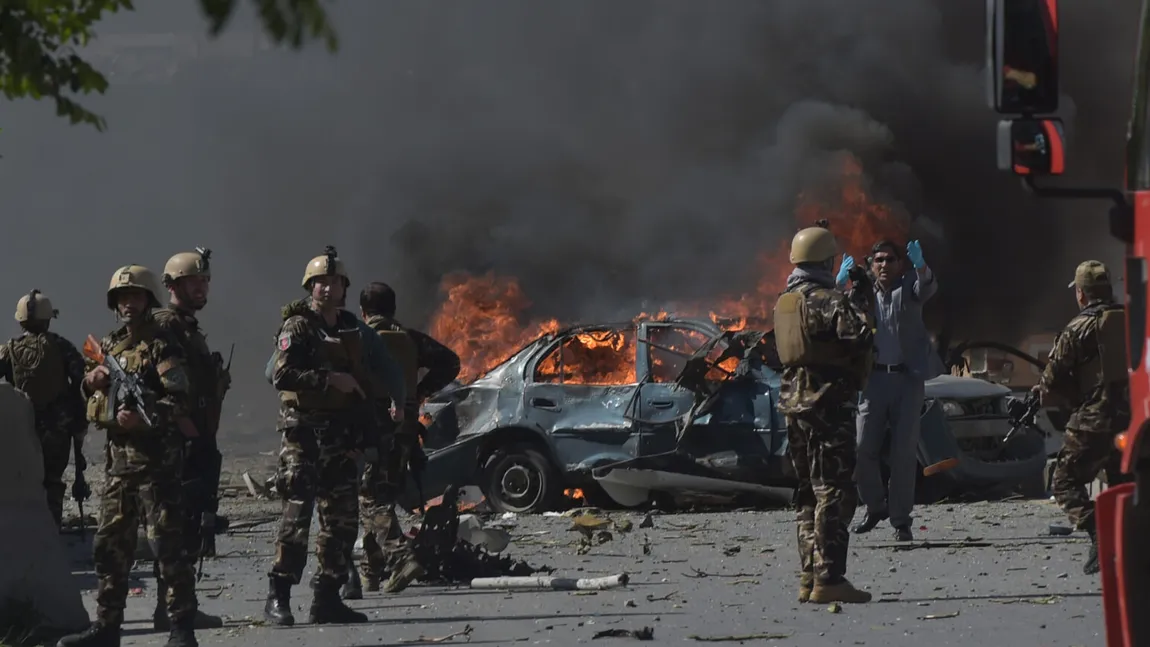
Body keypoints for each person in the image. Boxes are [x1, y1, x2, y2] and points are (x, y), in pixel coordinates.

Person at [57, 265, 200, 647]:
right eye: (122, 298)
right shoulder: (112, 343)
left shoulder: (162, 344)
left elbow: (182, 400)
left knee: (169, 549)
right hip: (119, 465)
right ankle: (107, 627)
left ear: (148, 300)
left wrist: (144, 413)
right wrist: (93, 382)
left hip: (156, 465)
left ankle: (182, 628)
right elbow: (90, 393)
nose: (128, 304)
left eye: (135, 296)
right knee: (109, 548)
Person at [263, 246, 405, 626]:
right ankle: (279, 595)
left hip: (342, 438)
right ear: (310, 287)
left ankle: (327, 596)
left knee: (342, 521)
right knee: (296, 517)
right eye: (320, 282)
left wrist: (375, 423)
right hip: (304, 436)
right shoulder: (298, 326)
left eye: (334, 282)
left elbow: (374, 374)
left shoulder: (352, 329)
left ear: (345, 288)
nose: (327, 288)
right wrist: (328, 379)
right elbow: (280, 375)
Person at [773, 226, 875, 605]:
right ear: (827, 262)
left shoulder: (786, 301)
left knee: (806, 494)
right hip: (828, 405)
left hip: (793, 405)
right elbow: (862, 337)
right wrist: (859, 299)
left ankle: (808, 575)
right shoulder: (829, 300)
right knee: (833, 490)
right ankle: (830, 578)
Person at [351, 281, 461, 595]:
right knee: (380, 497)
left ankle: (401, 558)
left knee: (372, 501)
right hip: (405, 431)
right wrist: (418, 395)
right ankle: (371, 574)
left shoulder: (358, 338)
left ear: (364, 311)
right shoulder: (410, 339)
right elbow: (451, 363)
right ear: (393, 309)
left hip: (371, 431)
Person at [838, 239, 944, 542]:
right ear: (871, 264)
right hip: (873, 381)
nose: (884, 265)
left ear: (901, 264)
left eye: (890, 260)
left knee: (903, 452)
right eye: (879, 260)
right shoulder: (862, 292)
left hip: (907, 380)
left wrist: (921, 265)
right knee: (862, 448)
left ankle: (901, 521)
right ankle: (874, 506)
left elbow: (927, 288)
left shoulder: (910, 285)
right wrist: (840, 284)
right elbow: (840, 313)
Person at [150, 248, 231, 632]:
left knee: (189, 523)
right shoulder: (166, 326)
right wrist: (191, 436)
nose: (201, 287)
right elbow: (168, 389)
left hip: (196, 438)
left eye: (204, 281)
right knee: (176, 526)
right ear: (172, 285)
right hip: (180, 442)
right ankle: (174, 609)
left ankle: (177, 606)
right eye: (192, 281)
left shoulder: (186, 327)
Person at [1037, 260, 1132, 575]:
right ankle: (1128, 545)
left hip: (1096, 417)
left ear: (1080, 293)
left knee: (1064, 481)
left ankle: (1099, 536)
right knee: (1123, 482)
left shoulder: (1078, 326)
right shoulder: (1131, 320)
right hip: (1131, 419)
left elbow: (1051, 381)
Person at [0, 290, 87, 530]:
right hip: (56, 428)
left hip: (21, 428)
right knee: (52, 482)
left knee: (22, 481)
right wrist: (80, 423)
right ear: (49, 318)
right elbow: (82, 384)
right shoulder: (61, 346)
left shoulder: (7, 349)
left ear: (20, 320)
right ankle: (50, 532)